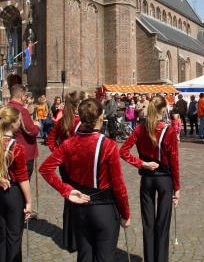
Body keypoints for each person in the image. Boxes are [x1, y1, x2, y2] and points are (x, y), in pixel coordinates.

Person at [40, 98, 130, 261]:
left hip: (80, 208)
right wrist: (125, 213)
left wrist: (66, 190)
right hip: (104, 209)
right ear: (101, 117)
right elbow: (118, 185)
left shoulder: (69, 143)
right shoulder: (109, 145)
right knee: (105, 257)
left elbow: (45, 168)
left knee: (84, 256)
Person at [119, 96, 179, 262]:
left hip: (147, 179)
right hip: (165, 179)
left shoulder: (140, 128)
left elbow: (123, 151)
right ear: (163, 110)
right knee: (162, 222)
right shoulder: (169, 131)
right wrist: (177, 187)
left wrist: (142, 163)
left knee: (148, 222)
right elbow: (174, 161)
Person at [46, 90, 86, 251]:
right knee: (79, 200)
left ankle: (68, 239)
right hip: (79, 166)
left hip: (65, 166)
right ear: (79, 103)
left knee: (68, 200)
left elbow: (50, 140)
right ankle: (78, 239)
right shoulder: (80, 122)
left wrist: (58, 154)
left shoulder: (63, 120)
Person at [0, 106, 32, 262]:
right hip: (13, 193)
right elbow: (22, 177)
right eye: (19, 120)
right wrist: (29, 201)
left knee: (1, 233)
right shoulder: (17, 147)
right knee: (14, 235)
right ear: (13, 124)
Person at [7, 84, 40, 179]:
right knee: (23, 179)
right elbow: (32, 131)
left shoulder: (6, 108)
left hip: (9, 149)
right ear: (21, 96)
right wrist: (37, 126)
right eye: (26, 96)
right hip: (24, 151)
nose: (26, 99)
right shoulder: (22, 111)